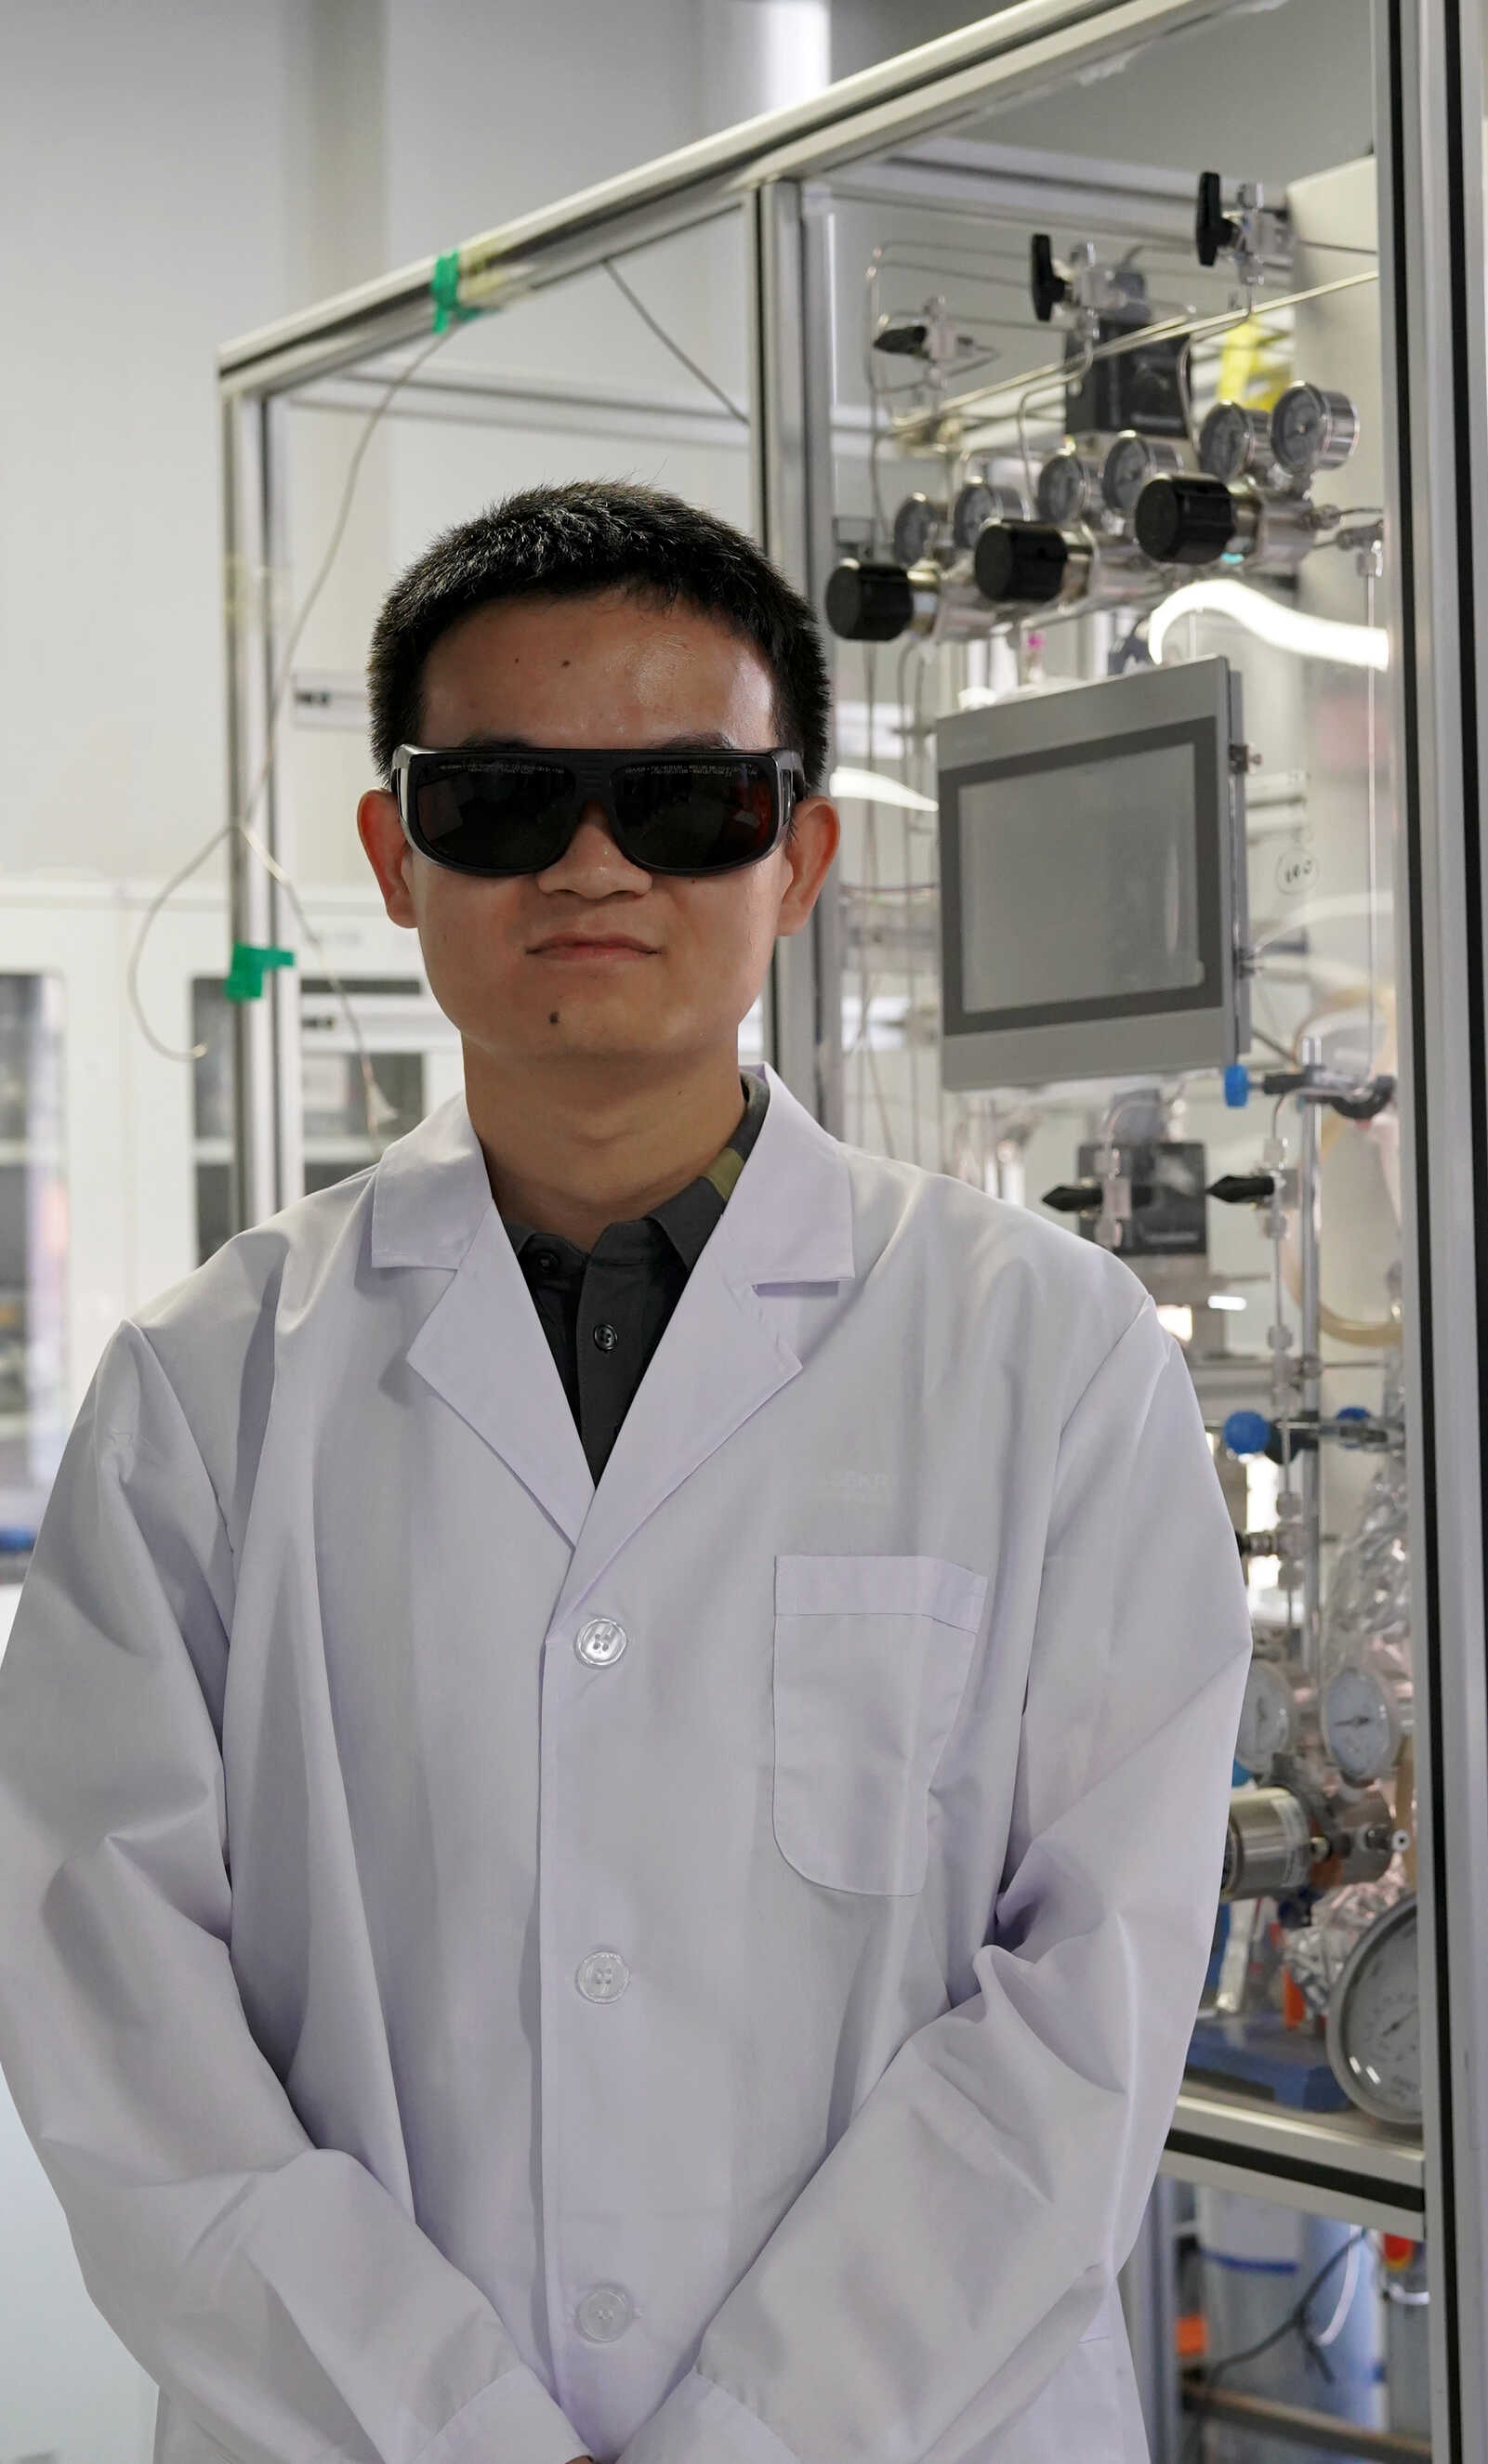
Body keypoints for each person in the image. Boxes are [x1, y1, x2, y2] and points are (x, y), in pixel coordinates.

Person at [0, 480, 1250, 2464]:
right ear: (396, 856)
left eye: (685, 803)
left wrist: (758, 2437)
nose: (594, 864)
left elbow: (1089, 2009)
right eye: (505, 800)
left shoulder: (1049, 1357)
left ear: (798, 855)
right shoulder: (205, 1393)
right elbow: (119, 2022)